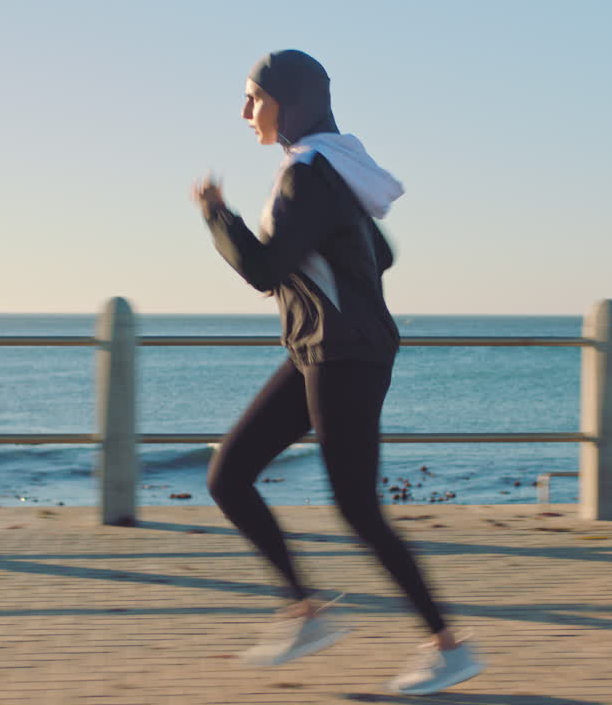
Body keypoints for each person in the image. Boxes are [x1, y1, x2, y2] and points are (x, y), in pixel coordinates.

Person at [191, 49, 485, 695]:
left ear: (289, 103)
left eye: (254, 99)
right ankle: (306, 613)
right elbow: (381, 252)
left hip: (344, 354)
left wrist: (216, 213)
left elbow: (263, 271)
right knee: (228, 474)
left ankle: (449, 646)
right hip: (321, 349)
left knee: (355, 506)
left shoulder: (308, 176)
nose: (245, 112)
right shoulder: (326, 169)